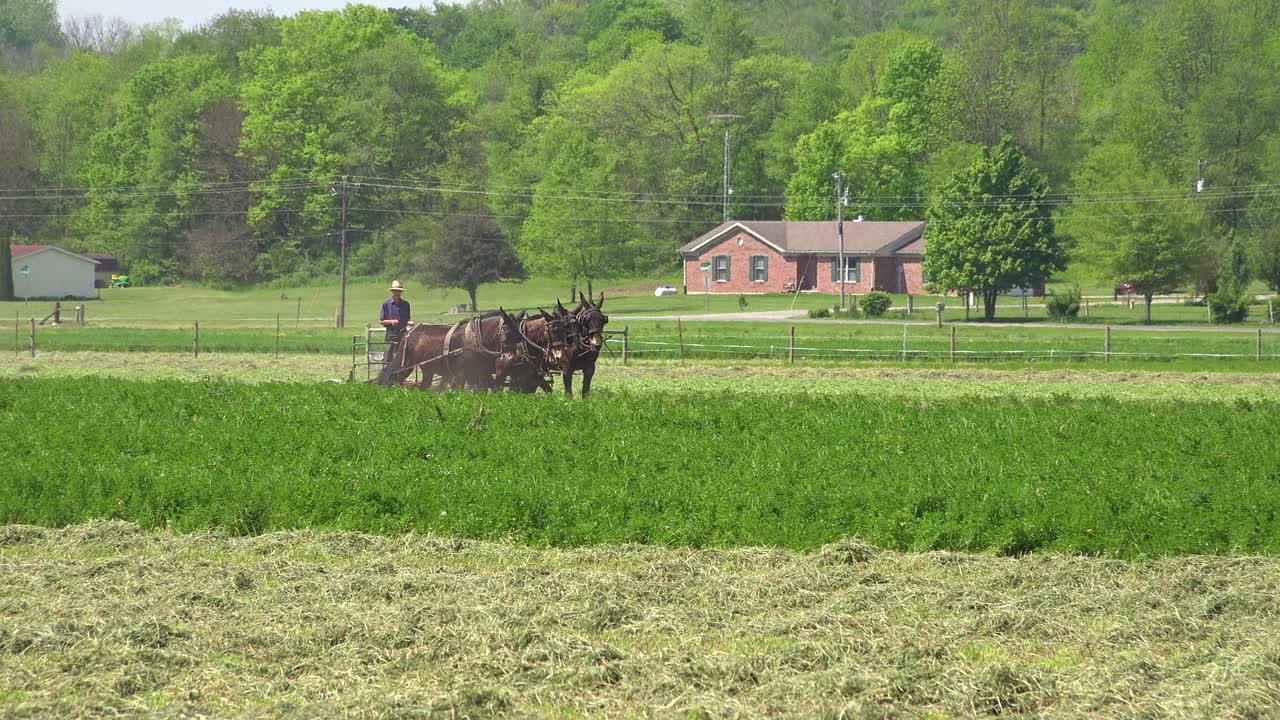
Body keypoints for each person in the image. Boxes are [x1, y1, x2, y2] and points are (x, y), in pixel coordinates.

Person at [376, 280, 412, 386]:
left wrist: (410, 323)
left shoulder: (406, 304)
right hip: (391, 333)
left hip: (403, 333)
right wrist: (391, 322)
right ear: (393, 291)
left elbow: (407, 319)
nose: (398, 293)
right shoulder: (386, 304)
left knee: (402, 357)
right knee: (388, 357)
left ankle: (398, 379)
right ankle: (384, 380)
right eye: (396, 291)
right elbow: (381, 321)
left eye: (399, 291)